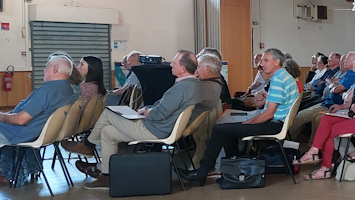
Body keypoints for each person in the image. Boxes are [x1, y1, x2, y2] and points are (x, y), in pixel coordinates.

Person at [64, 50, 200, 190]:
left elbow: (159, 114)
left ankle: (87, 145)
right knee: (107, 131)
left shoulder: (182, 88)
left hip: (153, 129)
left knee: (108, 114)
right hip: (156, 127)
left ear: (183, 68)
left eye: (175, 63)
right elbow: (162, 107)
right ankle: (106, 176)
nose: (171, 64)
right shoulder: (189, 85)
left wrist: (147, 111)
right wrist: (146, 109)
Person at [180, 48, 299, 186]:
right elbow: (267, 111)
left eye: (266, 60)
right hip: (275, 122)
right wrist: (246, 123)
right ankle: (234, 169)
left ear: (277, 62)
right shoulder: (284, 76)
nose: (262, 64)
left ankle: (201, 174)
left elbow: (268, 114)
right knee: (226, 130)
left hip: (274, 125)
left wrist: (246, 124)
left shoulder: (278, 79)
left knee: (219, 130)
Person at [293, 51, 355, 180]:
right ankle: (314, 152)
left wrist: (352, 107)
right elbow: (352, 105)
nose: (353, 63)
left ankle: (325, 168)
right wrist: (344, 107)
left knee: (331, 130)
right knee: (326, 118)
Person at [0, 55, 75, 184]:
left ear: (55, 69)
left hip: (19, 133)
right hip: (39, 133)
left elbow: (21, 120)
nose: (44, 71)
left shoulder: (47, 91)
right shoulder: (69, 90)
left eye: (46, 67)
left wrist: (1, 116)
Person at [291, 52, 355, 140]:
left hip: (334, 105)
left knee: (305, 116)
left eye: (346, 60)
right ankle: (291, 141)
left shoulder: (353, 75)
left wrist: (333, 86)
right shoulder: (347, 74)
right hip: (327, 102)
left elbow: (336, 89)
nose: (344, 62)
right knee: (303, 112)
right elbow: (331, 83)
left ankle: (289, 142)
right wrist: (334, 86)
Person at [187, 54, 224, 168]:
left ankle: (199, 167)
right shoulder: (215, 81)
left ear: (207, 68)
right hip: (207, 116)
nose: (196, 70)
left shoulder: (204, 85)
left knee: (202, 142)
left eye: (199, 67)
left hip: (201, 121)